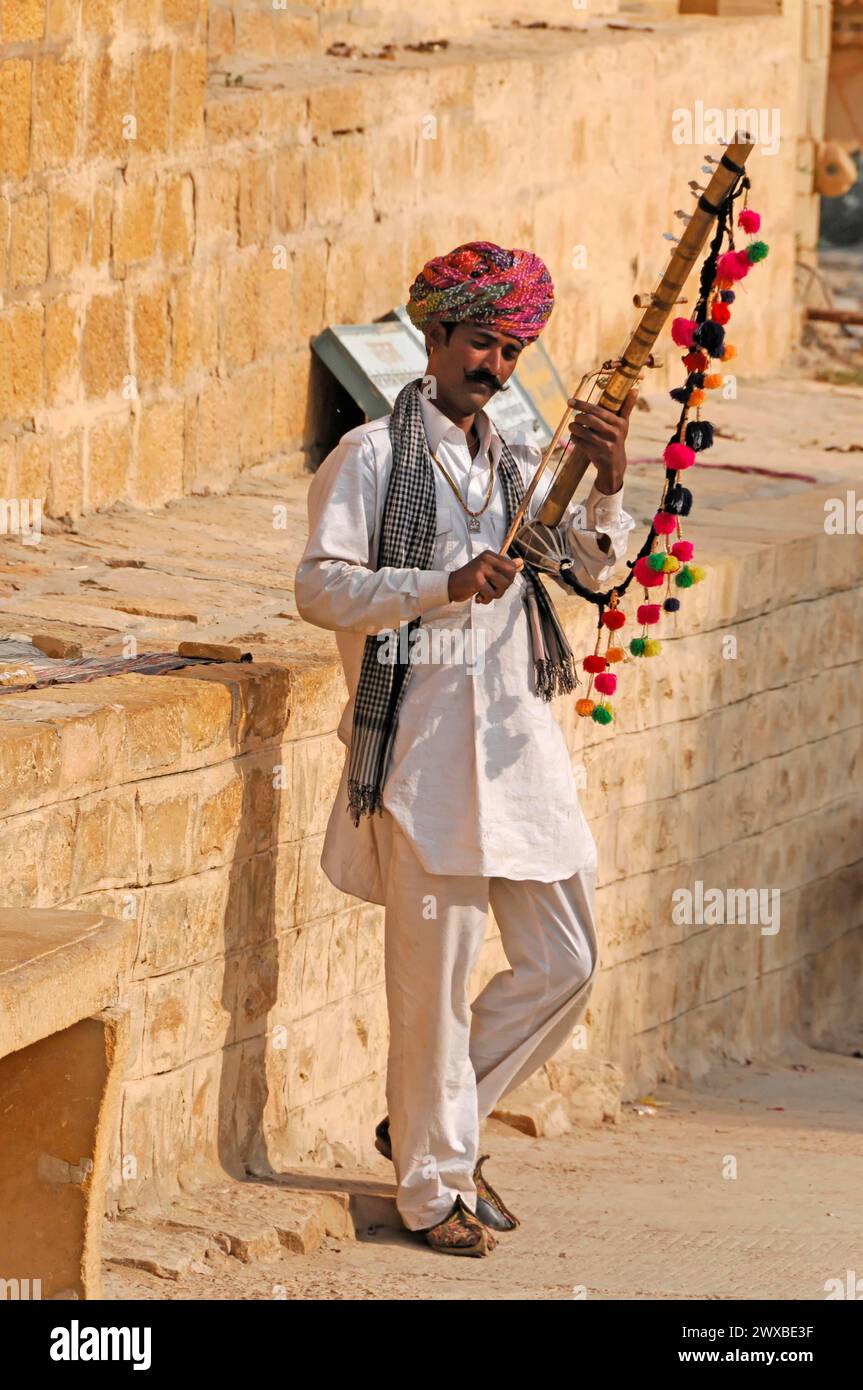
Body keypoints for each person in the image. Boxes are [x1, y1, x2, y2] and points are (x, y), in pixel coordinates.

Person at [295, 240, 638, 1257]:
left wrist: (609, 486)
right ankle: (429, 1188)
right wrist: (442, 581)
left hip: (519, 757)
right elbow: (319, 588)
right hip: (423, 760)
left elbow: (589, 569)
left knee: (565, 962)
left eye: (515, 346)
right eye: (482, 341)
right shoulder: (368, 457)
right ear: (433, 339)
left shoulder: (521, 458)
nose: (496, 363)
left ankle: (430, 1126)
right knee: (430, 990)